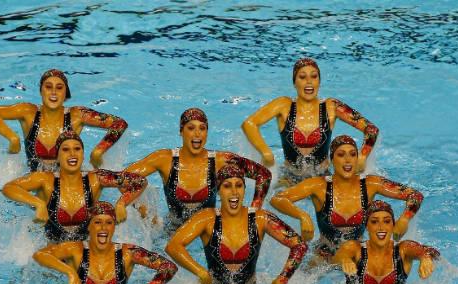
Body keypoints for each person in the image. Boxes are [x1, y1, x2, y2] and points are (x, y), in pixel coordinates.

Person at [165, 165, 306, 284]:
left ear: (244, 189)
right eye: (227, 186)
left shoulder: (260, 218)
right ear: (218, 191)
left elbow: (299, 244)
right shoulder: (206, 218)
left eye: (239, 185)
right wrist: (201, 273)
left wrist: (282, 279)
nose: (234, 191)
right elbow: (173, 246)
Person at [270, 135, 423, 263]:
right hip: (324, 256)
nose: (348, 160)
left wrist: (404, 219)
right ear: (331, 160)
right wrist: (302, 216)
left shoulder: (371, 184)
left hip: (357, 255)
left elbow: (414, 195)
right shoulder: (318, 185)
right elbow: (277, 199)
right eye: (341, 155)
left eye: (352, 154)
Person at [33, 201, 178, 284]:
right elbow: (40, 255)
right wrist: (70, 272)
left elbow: (169, 266)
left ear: (114, 226)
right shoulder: (75, 250)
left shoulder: (128, 253)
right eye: (97, 222)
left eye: (109, 222)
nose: (103, 228)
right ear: (88, 226)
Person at [125, 108, 271, 233]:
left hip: (210, 233)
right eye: (191, 128)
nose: (197, 134)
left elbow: (263, 174)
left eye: (202, 128)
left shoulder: (220, 160)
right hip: (174, 231)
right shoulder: (164, 159)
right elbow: (122, 179)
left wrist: (252, 213)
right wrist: (146, 214)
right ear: (181, 131)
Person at [242, 58, 379, 183]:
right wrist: (266, 152)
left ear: (319, 81)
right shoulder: (283, 105)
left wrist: (363, 155)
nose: (309, 81)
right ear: (294, 82)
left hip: (323, 178)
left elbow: (371, 129)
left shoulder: (332, 106)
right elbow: (249, 124)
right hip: (289, 178)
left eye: (314, 76)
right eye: (302, 77)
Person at [2, 131, 146, 242]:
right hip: (52, 263)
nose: (72, 154)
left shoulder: (96, 179)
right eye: (65, 150)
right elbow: (9, 188)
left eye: (77, 149)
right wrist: (37, 203)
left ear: (83, 155)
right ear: (57, 156)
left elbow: (139, 181)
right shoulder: (45, 179)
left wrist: (122, 203)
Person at [0, 68, 128, 171]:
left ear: (66, 93)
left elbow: (119, 123)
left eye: (59, 88)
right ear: (41, 90)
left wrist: (98, 151)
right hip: (36, 183)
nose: (53, 93)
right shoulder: (27, 112)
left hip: (69, 182)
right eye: (48, 87)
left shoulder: (77, 115)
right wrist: (12, 138)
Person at [333, 200, 439, 284]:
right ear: (367, 226)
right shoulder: (355, 248)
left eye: (387, 221)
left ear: (393, 225)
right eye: (374, 221)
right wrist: (345, 260)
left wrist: (425, 258)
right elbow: (337, 257)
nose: (381, 227)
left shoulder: (403, 250)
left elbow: (429, 251)